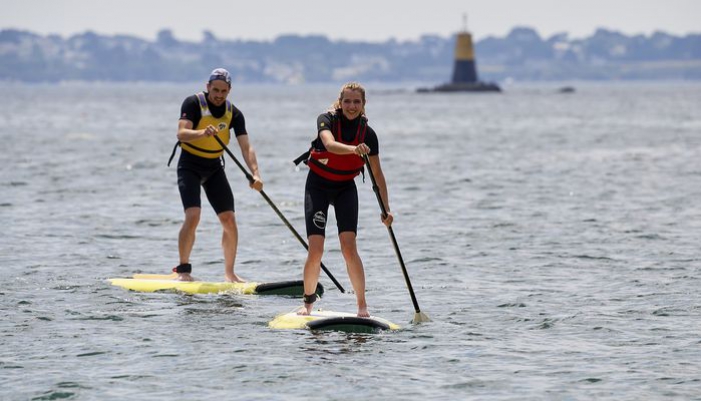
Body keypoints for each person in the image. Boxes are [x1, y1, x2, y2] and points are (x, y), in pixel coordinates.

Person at [297, 82, 393, 317]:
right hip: (318, 186)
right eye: (347, 101)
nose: (351, 106)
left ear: (363, 105)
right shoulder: (326, 119)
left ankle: (362, 306)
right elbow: (329, 144)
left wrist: (386, 210)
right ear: (340, 103)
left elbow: (378, 175)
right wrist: (353, 150)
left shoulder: (368, 135)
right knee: (316, 250)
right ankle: (307, 305)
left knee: (349, 248)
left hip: (345, 189)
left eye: (356, 102)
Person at [170, 68, 263, 282]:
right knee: (193, 216)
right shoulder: (192, 103)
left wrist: (255, 174)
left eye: (223, 91)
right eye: (215, 90)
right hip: (190, 165)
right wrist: (202, 132)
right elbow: (182, 134)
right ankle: (184, 270)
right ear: (208, 87)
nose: (219, 95)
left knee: (229, 219)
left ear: (229, 90)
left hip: (214, 168)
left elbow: (246, 146)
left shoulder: (234, 113)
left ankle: (230, 273)